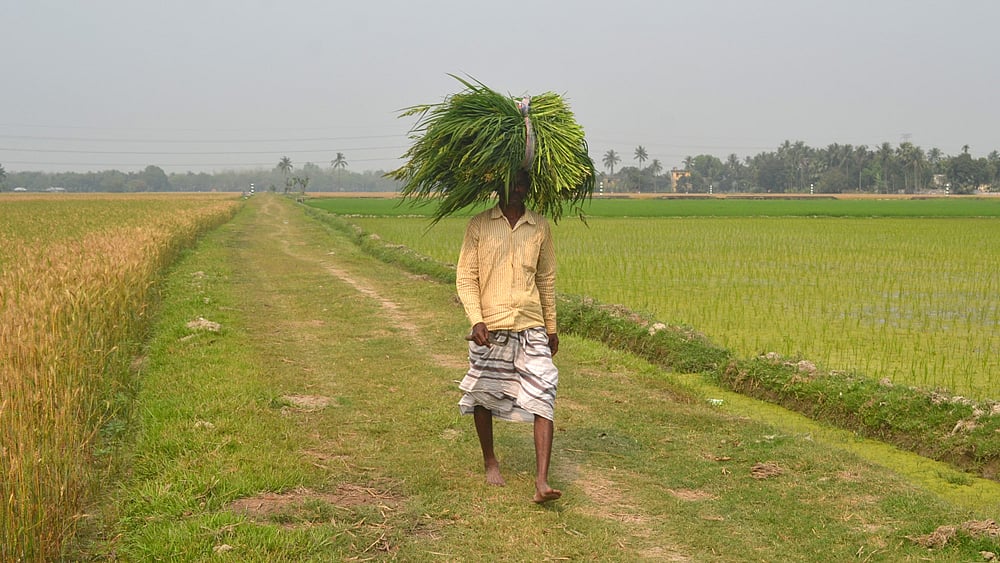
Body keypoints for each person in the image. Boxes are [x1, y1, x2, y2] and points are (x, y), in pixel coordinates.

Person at [455, 168, 562, 503]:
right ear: (498, 188)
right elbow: (466, 277)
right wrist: (476, 321)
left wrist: (552, 326)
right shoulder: (479, 225)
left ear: (529, 188)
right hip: (492, 326)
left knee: (545, 390)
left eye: (522, 184)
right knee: (484, 392)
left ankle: (541, 481)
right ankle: (490, 461)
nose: (517, 189)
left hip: (530, 325)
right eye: (511, 184)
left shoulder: (539, 227)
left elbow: (546, 278)